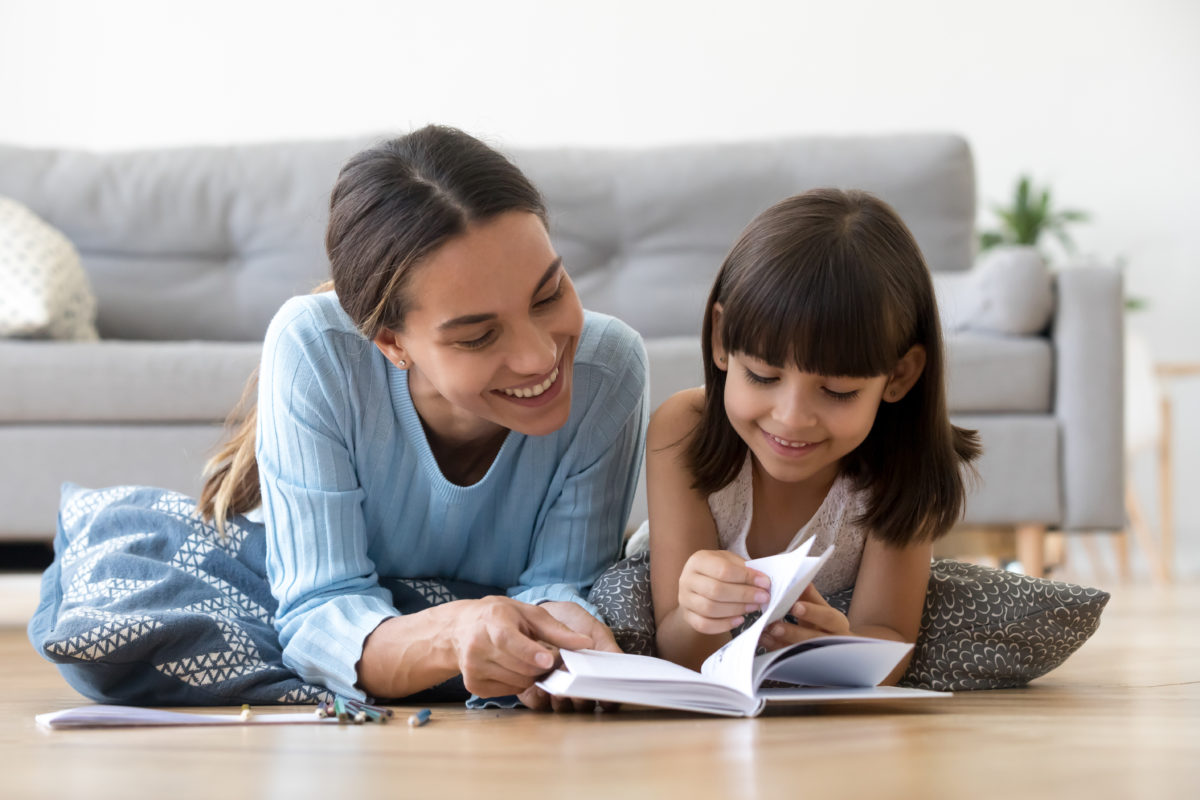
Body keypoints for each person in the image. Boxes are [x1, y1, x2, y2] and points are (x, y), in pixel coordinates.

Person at [198, 126, 648, 709]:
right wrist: (457, 631)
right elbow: (319, 612)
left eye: (549, 294)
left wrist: (557, 633)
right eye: (480, 335)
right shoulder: (315, 349)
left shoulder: (607, 368)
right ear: (392, 343)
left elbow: (561, 584)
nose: (541, 356)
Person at [645, 188, 979, 680]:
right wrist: (699, 612)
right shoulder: (684, 429)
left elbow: (889, 640)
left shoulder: (904, 466)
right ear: (722, 339)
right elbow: (678, 650)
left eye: (838, 391)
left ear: (900, 376)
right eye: (762, 376)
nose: (792, 418)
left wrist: (839, 651)